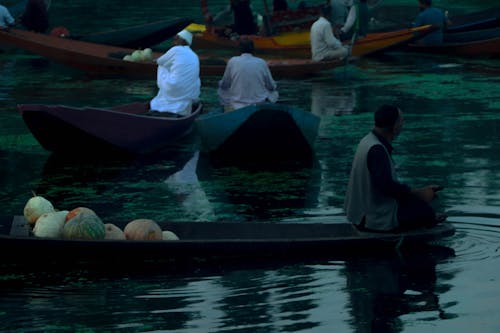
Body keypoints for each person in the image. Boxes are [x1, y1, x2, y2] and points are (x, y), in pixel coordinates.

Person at [344, 104, 446, 232]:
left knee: (420, 203)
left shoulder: (368, 140)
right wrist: (418, 193)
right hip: (373, 218)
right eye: (401, 121)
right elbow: (387, 187)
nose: (402, 125)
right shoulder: (377, 149)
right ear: (395, 126)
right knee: (427, 210)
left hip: (361, 214)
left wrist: (418, 193)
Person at [217, 38, 278, 111]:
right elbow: (271, 86)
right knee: (274, 92)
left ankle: (228, 109)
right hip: (259, 103)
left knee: (221, 90)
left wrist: (219, 83)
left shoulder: (232, 61)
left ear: (239, 50)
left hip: (237, 105)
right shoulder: (261, 62)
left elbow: (225, 85)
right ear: (253, 49)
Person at [149, 30, 201, 116]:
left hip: (173, 87)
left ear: (184, 40)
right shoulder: (194, 55)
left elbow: (160, 61)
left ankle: (167, 98)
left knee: (162, 65)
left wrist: (153, 60)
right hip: (189, 92)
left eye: (177, 38)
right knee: (196, 79)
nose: (174, 40)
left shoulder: (176, 50)